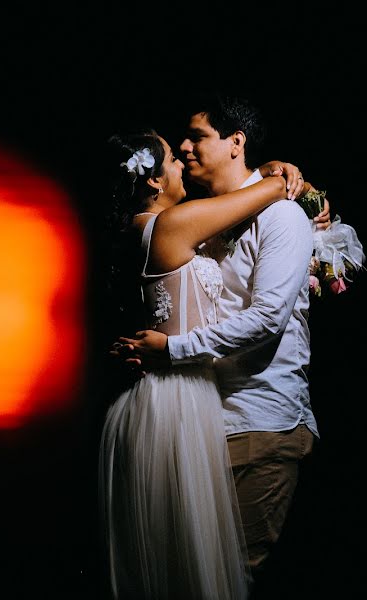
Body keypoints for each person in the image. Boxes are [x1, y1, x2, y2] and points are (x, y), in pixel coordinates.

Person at [113, 94, 323, 589]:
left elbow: (268, 317)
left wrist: (171, 349)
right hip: (202, 420)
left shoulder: (280, 216)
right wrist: (276, 178)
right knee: (195, 576)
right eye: (177, 146)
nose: (184, 148)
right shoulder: (197, 219)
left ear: (236, 142)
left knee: (231, 579)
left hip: (257, 417)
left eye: (197, 137)